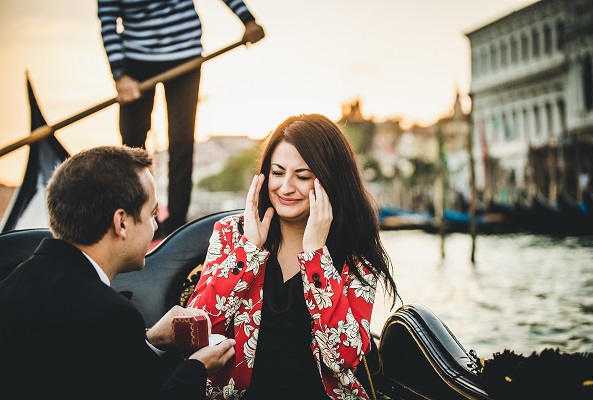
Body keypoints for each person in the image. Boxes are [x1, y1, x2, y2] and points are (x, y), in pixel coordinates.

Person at [186, 114, 400, 399]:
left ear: (329, 181)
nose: (286, 187)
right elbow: (198, 327)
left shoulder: (354, 253)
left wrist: (316, 257)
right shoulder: (231, 234)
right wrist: (249, 250)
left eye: (302, 176)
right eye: (277, 172)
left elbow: (345, 358)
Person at [0, 145, 235, 399]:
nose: (155, 226)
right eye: (152, 214)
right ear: (121, 222)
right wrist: (197, 368)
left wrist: (151, 340)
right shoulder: (109, 314)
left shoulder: (11, 284)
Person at [97, 0, 265, 238]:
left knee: (181, 141)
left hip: (185, 54)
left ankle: (176, 226)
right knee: (131, 148)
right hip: (136, 60)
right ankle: (138, 219)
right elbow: (107, 19)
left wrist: (247, 20)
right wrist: (120, 74)